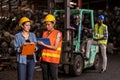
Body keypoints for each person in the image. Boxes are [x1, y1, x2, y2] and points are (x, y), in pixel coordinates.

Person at [37, 14, 62, 80]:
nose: (47, 26)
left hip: (53, 60)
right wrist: (40, 57)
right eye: (46, 24)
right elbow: (42, 48)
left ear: (53, 24)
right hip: (44, 59)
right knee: (45, 78)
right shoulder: (44, 33)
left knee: (54, 77)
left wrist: (43, 44)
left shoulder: (58, 33)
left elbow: (55, 47)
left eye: (49, 24)